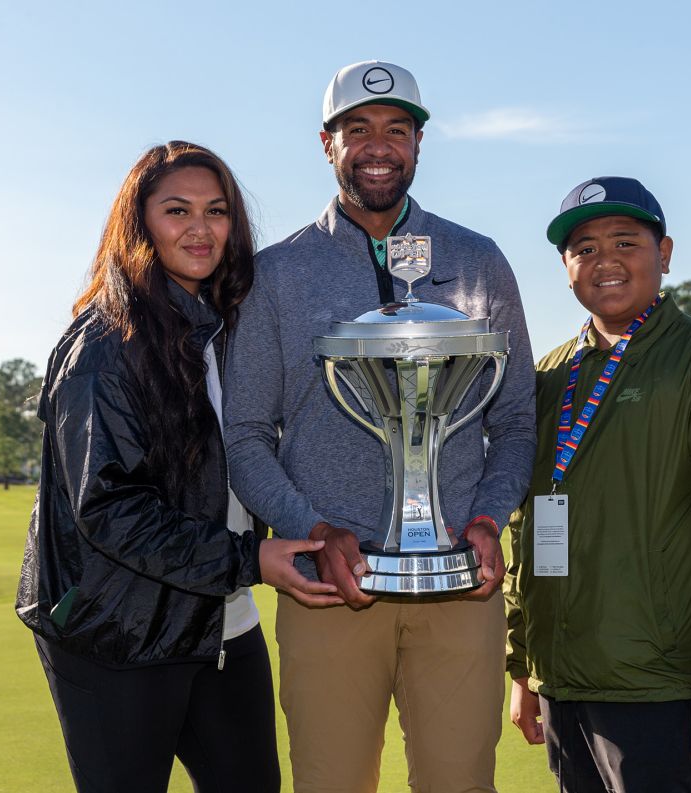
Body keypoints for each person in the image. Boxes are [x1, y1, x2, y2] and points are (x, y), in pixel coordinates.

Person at [223, 61, 536, 793]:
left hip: (459, 584)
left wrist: (489, 517)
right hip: (328, 588)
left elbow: (516, 420)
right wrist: (313, 527)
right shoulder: (276, 274)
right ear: (326, 143)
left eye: (397, 129)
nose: (378, 146)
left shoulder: (479, 260)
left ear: (420, 144)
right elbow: (244, 435)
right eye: (357, 129)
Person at [15, 142, 341, 793]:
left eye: (216, 210)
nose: (200, 227)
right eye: (176, 210)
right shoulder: (106, 345)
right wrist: (251, 559)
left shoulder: (218, 328)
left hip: (224, 623)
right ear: (141, 223)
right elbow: (110, 509)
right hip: (119, 632)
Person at [505, 176, 691, 792]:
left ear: (663, 253)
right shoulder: (548, 374)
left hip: (662, 684)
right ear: (565, 266)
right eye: (583, 248)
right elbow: (526, 528)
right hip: (563, 681)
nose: (604, 260)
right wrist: (523, 665)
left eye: (625, 242)